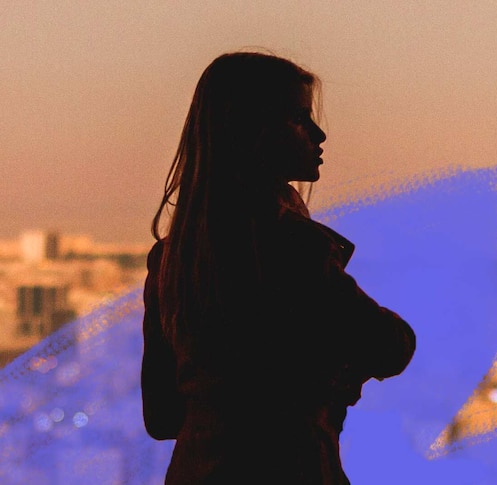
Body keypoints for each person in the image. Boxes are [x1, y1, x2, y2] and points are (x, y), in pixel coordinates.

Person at [141, 51, 416, 484]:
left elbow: (162, 417)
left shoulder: (172, 261)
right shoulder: (293, 248)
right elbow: (391, 345)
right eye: (298, 119)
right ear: (253, 132)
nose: (318, 134)